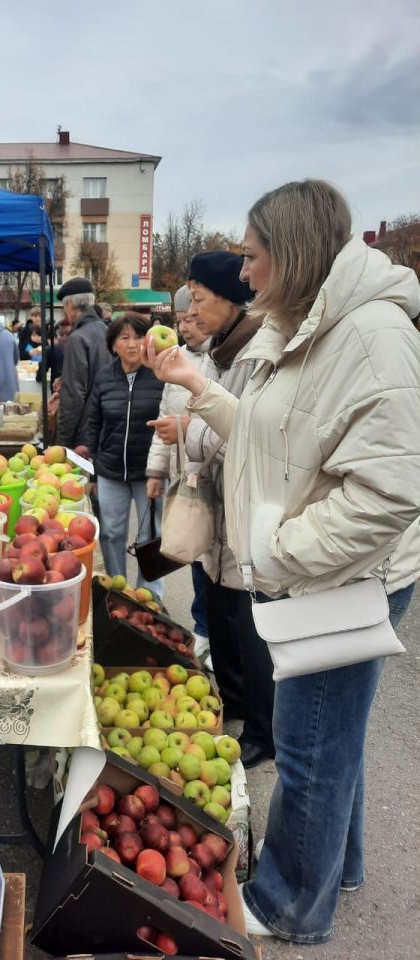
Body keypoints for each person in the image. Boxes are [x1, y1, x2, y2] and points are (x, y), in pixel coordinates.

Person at [144, 179, 420, 943]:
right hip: (319, 571)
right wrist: (198, 388)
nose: (246, 270)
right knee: (334, 740)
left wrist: (277, 552)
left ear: (293, 255)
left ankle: (291, 905)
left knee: (309, 748)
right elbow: (271, 437)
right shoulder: (302, 328)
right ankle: (343, 864)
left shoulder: (371, 337)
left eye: (253, 255)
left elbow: (390, 494)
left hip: (341, 576)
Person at [183, 252, 274, 766]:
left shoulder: (253, 354)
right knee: (221, 610)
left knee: (250, 623)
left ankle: (263, 730)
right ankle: (235, 704)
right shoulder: (220, 349)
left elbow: (232, 431)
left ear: (228, 299)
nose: (193, 312)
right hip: (219, 506)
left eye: (198, 299)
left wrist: (190, 432)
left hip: (245, 508)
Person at [145, 295, 213, 658]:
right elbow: (163, 419)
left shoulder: (221, 361)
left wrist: (184, 430)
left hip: (211, 475)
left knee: (211, 558)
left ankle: (211, 631)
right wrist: (156, 470)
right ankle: (204, 629)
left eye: (194, 319)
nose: (185, 326)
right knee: (193, 552)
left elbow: (226, 418)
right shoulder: (174, 359)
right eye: (180, 319)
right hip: (182, 476)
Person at [81, 313, 165, 596]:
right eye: (124, 337)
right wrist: (91, 470)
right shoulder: (105, 377)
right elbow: (93, 424)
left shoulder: (160, 374)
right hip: (110, 469)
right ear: (113, 344)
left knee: (150, 535)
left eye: (139, 336)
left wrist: (161, 469)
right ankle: (117, 588)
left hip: (150, 472)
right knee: (111, 532)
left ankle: (150, 594)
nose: (132, 344)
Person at [56, 277, 112, 447]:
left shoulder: (77, 338)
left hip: (86, 430)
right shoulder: (106, 330)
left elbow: (74, 395)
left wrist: (62, 441)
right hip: (107, 423)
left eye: (64, 307)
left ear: (71, 305)